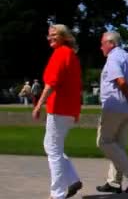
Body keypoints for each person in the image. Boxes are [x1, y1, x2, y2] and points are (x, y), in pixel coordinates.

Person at [32, 24, 83, 199]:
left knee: (53, 150)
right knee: (54, 147)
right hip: (68, 109)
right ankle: (72, 180)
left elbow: (51, 83)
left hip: (59, 107)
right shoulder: (71, 55)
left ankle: (58, 193)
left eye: (54, 34)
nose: (50, 38)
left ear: (63, 36)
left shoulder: (61, 53)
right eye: (49, 35)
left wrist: (38, 105)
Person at [96, 31, 128, 194]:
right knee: (118, 146)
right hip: (127, 109)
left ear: (111, 43)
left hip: (114, 106)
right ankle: (114, 182)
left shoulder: (113, 57)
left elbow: (121, 81)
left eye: (102, 43)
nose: (101, 46)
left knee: (104, 142)